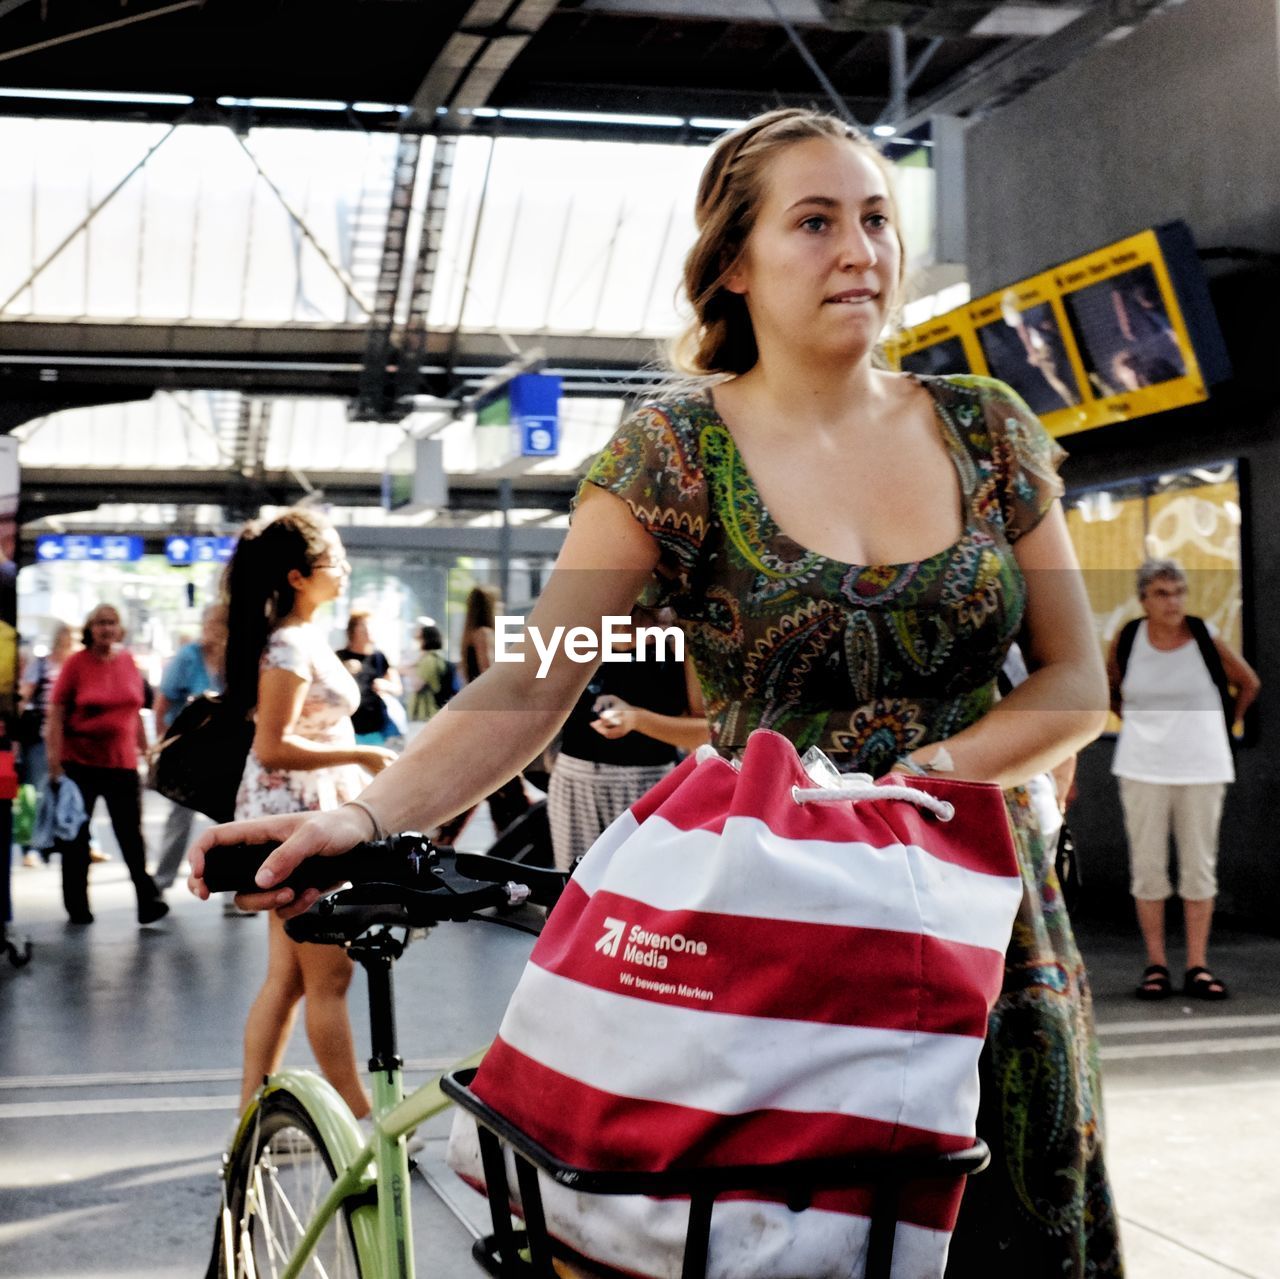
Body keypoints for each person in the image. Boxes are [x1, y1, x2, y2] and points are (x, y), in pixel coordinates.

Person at [192, 109, 1117, 1274]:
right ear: (733, 262)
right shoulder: (673, 454)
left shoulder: (988, 428)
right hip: (779, 926)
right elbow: (533, 681)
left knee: (1002, 1229)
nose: (859, 251)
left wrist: (917, 782)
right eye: (815, 221)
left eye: (876, 218)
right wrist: (365, 814)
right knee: (779, 1238)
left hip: (985, 916)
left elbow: (1075, 678)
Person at [223, 509, 395, 1117]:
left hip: (297, 820)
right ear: (298, 576)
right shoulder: (291, 644)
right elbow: (272, 744)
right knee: (330, 978)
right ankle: (359, 1117)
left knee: (290, 980)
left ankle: (251, 1115)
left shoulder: (298, 636)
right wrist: (363, 754)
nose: (344, 571)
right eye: (333, 562)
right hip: (298, 824)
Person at [1108, 559, 1259, 1002]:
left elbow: (1248, 682)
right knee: (1148, 868)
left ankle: (1198, 965)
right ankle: (1156, 965)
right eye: (1161, 593)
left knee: (1199, 868)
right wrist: (1138, 723)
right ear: (1143, 600)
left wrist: (1221, 726)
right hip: (1141, 766)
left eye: (1178, 591)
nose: (1172, 601)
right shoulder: (1130, 638)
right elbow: (1110, 687)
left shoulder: (1205, 636)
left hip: (1202, 766)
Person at [548, 607, 708, 870]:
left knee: (642, 891)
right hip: (574, 784)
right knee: (575, 892)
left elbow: (704, 732)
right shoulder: (580, 629)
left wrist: (636, 719)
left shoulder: (679, 638)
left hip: (650, 785)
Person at [45, 604, 166, 926]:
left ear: (120, 629)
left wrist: (146, 751)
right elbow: (55, 714)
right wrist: (54, 763)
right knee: (76, 839)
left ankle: (148, 900)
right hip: (79, 764)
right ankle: (77, 906)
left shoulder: (128, 662)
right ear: (90, 628)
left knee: (130, 836)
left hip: (122, 765)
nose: (106, 629)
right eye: (100, 623)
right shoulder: (76, 664)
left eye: (112, 623)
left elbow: (135, 712)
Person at [433, 586, 530, 845]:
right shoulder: (486, 634)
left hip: (478, 721)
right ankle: (512, 847)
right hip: (493, 722)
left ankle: (442, 840)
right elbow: (494, 676)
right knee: (506, 793)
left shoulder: (467, 636)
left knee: (480, 790)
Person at [149, 603, 229, 891]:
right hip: (188, 750)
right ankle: (162, 881)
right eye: (211, 624)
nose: (213, 631)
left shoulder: (232, 658)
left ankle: (229, 883)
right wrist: (163, 744)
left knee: (226, 819)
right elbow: (162, 704)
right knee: (179, 814)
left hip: (222, 750)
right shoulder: (188, 657)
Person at [17, 620, 76, 867]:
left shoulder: (75, 664)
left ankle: (57, 839)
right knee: (34, 791)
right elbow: (24, 695)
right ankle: (29, 845)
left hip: (69, 738)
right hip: (40, 736)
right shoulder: (42, 665)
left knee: (68, 790)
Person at [336, 610, 403, 745]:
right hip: (347, 726)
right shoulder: (339, 657)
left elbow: (398, 688)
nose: (370, 630)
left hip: (375, 726)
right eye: (364, 625)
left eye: (373, 626)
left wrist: (386, 685)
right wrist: (343, 670)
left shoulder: (379, 657)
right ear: (352, 630)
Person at [409, 622, 456, 722]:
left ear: (425, 639)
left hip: (428, 712)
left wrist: (407, 671)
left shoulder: (428, 659)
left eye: (418, 638)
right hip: (437, 710)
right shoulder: (438, 657)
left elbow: (417, 685)